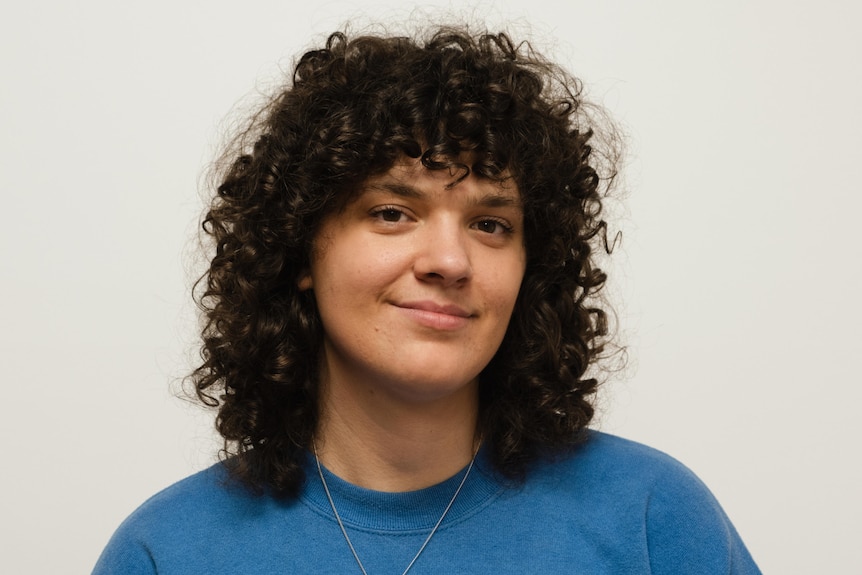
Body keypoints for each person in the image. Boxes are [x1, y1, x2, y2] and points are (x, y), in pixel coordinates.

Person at [93, 27, 761, 574]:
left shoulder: (652, 519)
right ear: (299, 252)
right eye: (392, 212)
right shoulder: (168, 553)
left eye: (490, 224)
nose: (450, 260)